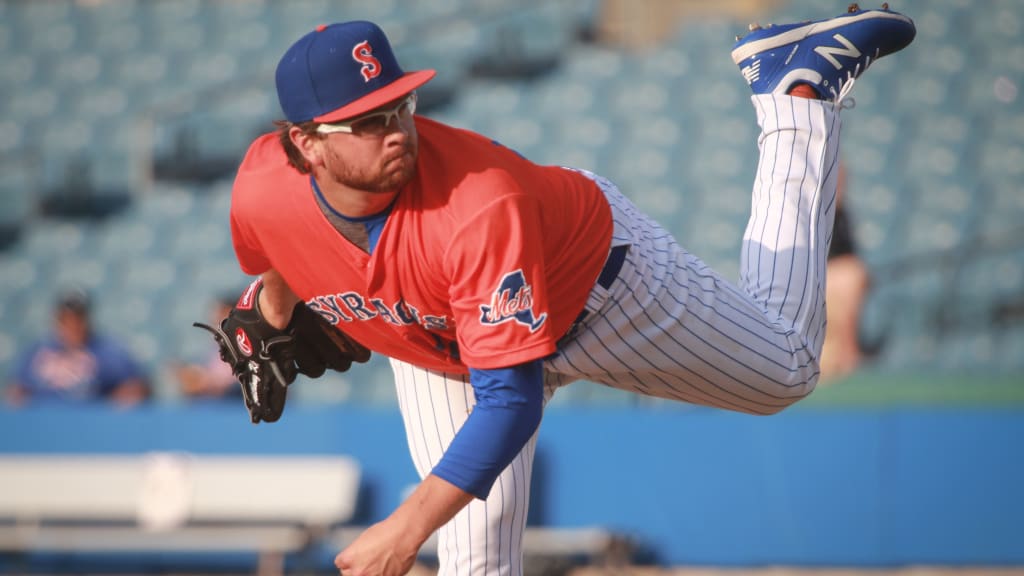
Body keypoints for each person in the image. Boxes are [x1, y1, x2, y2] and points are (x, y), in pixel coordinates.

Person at [222, 7, 915, 575]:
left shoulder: (477, 202)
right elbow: (277, 252)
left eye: (400, 104)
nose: (396, 129)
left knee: (789, 370)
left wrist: (404, 530)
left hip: (601, 288)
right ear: (304, 145)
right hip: (451, 343)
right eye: (367, 121)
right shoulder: (259, 190)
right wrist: (272, 305)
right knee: (475, 556)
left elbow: (510, 402)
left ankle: (794, 97)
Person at [6, 289, 150, 407]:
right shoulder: (38, 351)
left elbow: (134, 388)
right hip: (42, 425)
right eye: (67, 319)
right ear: (58, 320)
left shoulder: (108, 352)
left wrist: (111, 407)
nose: (73, 325)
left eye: (78, 319)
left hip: (90, 426)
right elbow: (17, 389)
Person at [821, 164, 872, 381]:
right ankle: (843, 355)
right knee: (850, 278)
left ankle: (846, 355)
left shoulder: (842, 213)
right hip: (822, 278)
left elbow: (850, 255)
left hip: (837, 279)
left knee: (853, 277)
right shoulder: (816, 212)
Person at [173, 294, 242, 400]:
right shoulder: (215, 349)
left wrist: (211, 383)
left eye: (223, 317)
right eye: (217, 317)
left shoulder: (247, 348)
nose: (217, 322)